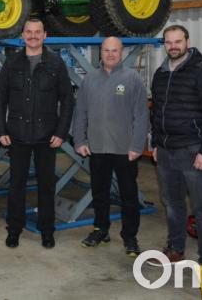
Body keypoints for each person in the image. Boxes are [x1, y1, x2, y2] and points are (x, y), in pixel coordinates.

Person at [147, 25, 202, 266]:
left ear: (187, 42)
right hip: (167, 152)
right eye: (169, 42)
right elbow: (157, 112)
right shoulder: (160, 74)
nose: (173, 46)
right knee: (172, 204)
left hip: (194, 151)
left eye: (178, 41)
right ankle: (175, 248)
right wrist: (157, 143)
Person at [0, 18, 73, 249]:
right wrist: (0, 129)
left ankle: (47, 230)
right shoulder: (12, 63)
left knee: (46, 186)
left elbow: (67, 100)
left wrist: (61, 132)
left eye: (38, 32)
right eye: (29, 32)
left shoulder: (56, 63)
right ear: (23, 35)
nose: (33, 36)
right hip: (17, 134)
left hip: (47, 136)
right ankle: (14, 229)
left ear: (45, 35)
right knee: (16, 184)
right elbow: (0, 98)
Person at [72, 37, 149, 257]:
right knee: (99, 193)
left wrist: (137, 145)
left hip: (125, 150)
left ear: (122, 52)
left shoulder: (132, 78)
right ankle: (100, 230)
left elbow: (142, 116)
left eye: (115, 50)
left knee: (129, 196)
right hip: (97, 149)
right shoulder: (90, 80)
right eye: (106, 50)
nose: (110, 54)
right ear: (101, 52)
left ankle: (130, 237)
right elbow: (81, 113)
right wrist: (79, 140)